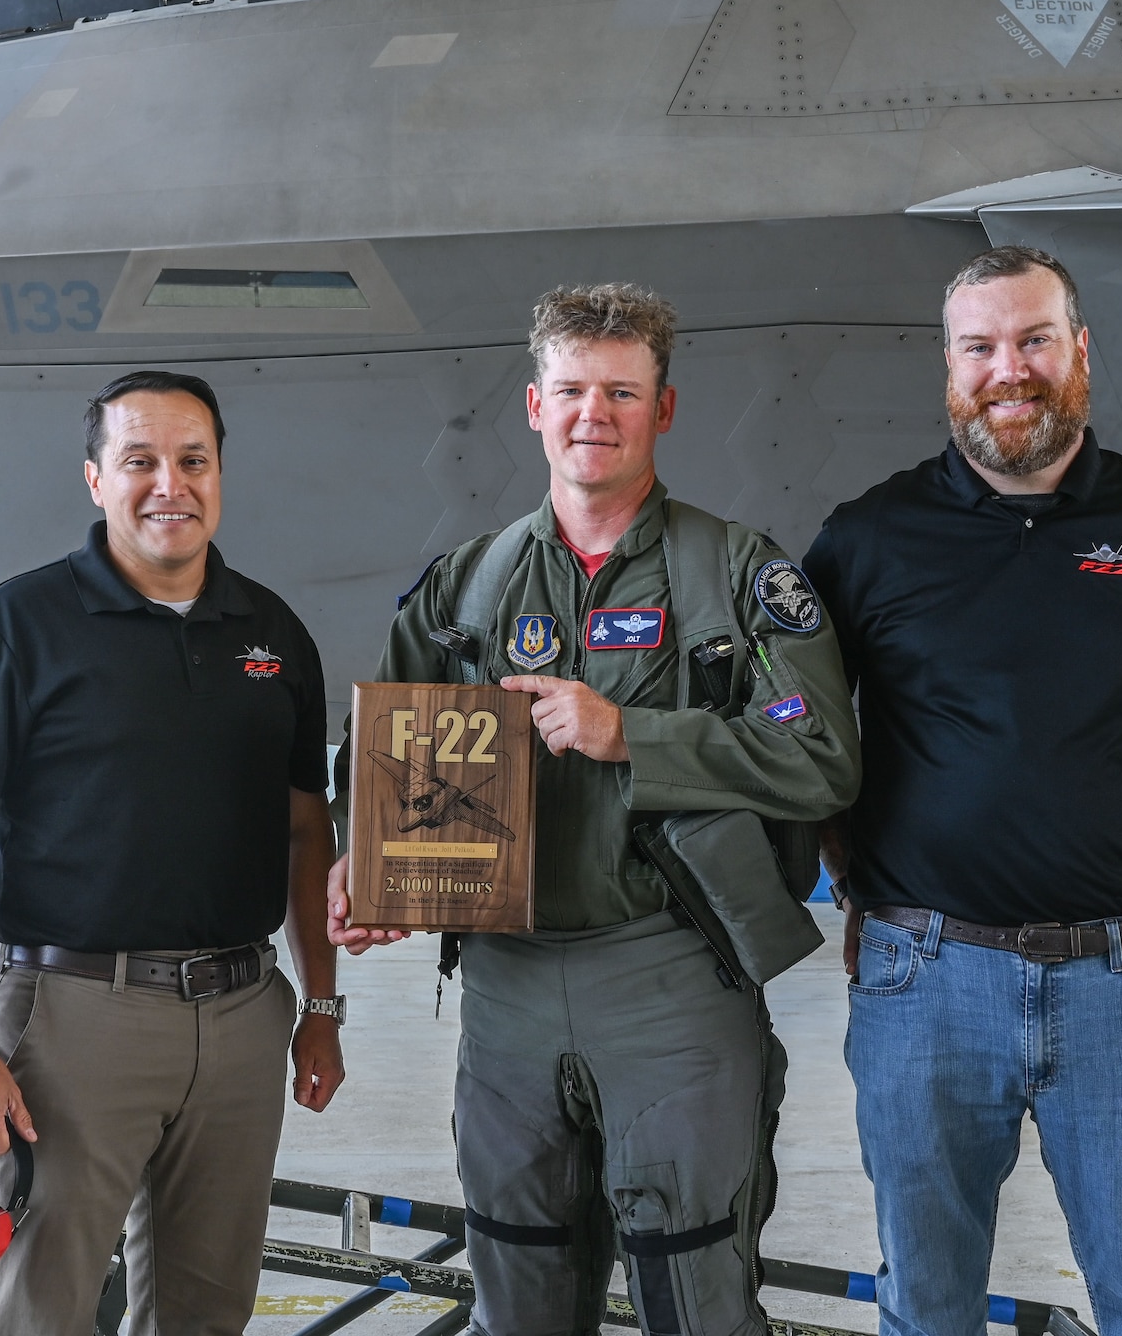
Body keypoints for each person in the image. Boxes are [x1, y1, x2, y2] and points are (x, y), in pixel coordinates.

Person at [328, 284, 860, 1336]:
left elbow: (822, 760)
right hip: (505, 994)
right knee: (517, 1286)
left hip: (669, 980)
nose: (592, 413)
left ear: (662, 410)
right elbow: (378, 765)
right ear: (533, 406)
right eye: (570, 389)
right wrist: (361, 868)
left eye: (621, 391)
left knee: (694, 1287)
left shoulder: (735, 576)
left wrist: (633, 735)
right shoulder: (466, 590)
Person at [804, 246, 1122, 1336]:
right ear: (948, 367)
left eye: (1033, 339)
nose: (1008, 369)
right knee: (925, 1304)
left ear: (1078, 351)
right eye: (978, 346)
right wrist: (853, 882)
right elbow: (796, 727)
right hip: (923, 983)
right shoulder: (866, 539)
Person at [0, 370, 347, 1336]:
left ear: (220, 475)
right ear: (95, 478)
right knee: (38, 1310)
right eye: (139, 461)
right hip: (70, 1024)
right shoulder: (14, 628)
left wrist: (319, 1007)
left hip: (239, 1019)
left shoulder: (273, 635)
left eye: (193, 461)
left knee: (206, 1312)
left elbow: (308, 828)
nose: (168, 485)